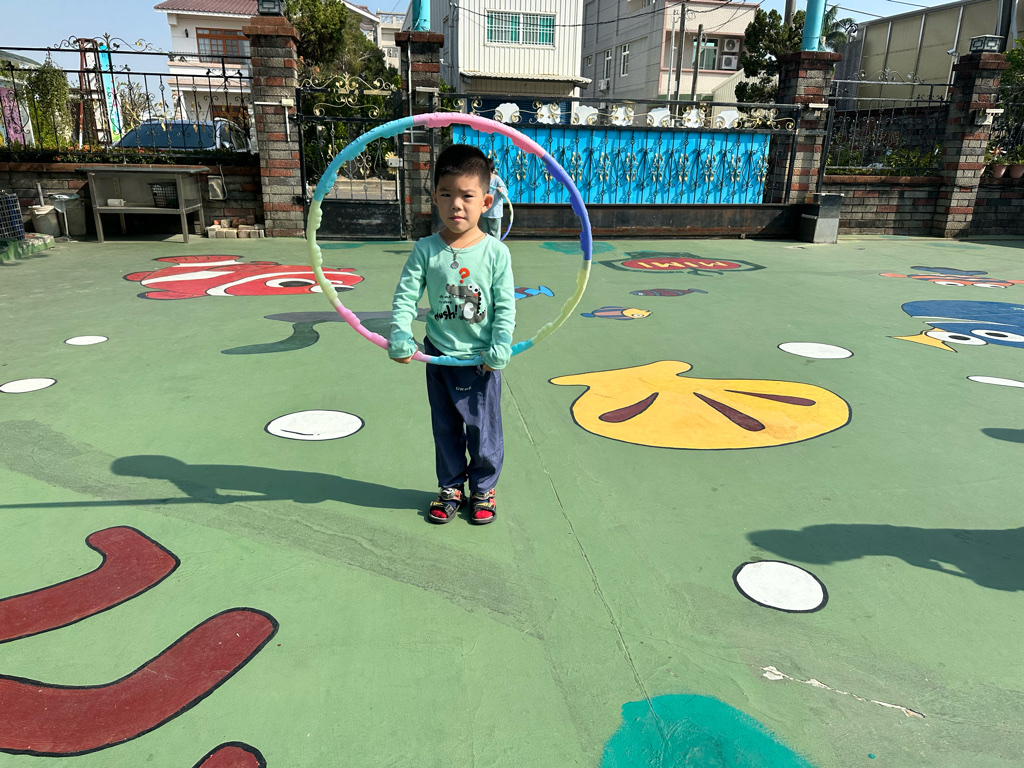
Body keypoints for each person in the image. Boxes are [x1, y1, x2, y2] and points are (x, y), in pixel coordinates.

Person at [389, 144, 516, 525]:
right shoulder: (426, 250)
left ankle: (483, 488)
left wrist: (501, 344)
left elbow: (505, 305)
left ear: (487, 201)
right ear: (434, 198)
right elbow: (406, 296)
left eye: (467, 196)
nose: (456, 205)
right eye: (446, 194)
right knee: (444, 426)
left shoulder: (495, 253)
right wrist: (400, 334)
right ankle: (450, 487)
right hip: (438, 353)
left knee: (482, 429)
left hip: (480, 360)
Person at [479, 158, 509, 240]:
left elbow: (505, 194)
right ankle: (485, 247)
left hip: (494, 214)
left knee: (494, 234)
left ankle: (495, 247)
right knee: (484, 234)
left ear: (493, 171)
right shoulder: (483, 180)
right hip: (484, 213)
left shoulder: (497, 180)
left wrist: (501, 191)